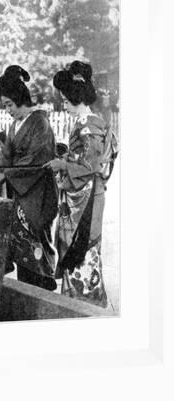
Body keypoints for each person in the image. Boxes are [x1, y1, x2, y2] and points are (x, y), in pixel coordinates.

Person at [44, 61, 117, 307]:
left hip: (87, 196)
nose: (63, 106)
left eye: (65, 101)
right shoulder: (86, 123)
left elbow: (90, 165)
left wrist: (64, 165)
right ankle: (74, 297)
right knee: (74, 244)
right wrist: (65, 159)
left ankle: (88, 301)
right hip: (79, 192)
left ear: (76, 98)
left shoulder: (91, 126)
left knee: (84, 246)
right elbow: (82, 159)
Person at [0, 65, 58, 291]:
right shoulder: (15, 126)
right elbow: (6, 154)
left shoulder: (40, 123)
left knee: (35, 235)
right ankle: (27, 287)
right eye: (4, 105)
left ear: (20, 99)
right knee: (20, 239)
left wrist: (6, 173)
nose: (7, 110)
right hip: (20, 190)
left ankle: (43, 286)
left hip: (37, 190)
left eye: (9, 104)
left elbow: (37, 160)